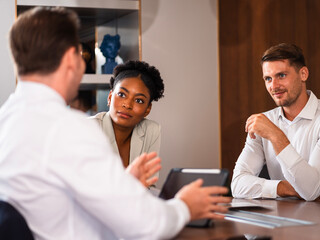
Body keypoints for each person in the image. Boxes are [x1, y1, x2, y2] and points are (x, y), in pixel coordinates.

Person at [0, 7, 231, 240]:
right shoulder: (69, 128)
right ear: (72, 59)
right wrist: (184, 206)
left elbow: (53, 198)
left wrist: (122, 185)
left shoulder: (6, 120)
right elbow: (146, 226)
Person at [231, 43, 320, 205]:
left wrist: (275, 135)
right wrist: (284, 188)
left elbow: (310, 190)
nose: (273, 86)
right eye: (268, 78)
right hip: (286, 222)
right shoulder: (264, 122)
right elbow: (237, 185)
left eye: (281, 75)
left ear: (303, 74)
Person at [91, 60, 163, 169]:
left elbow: (149, 183)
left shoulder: (151, 130)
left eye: (139, 100)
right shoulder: (88, 128)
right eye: (121, 94)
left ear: (147, 109)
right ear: (110, 97)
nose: (127, 105)